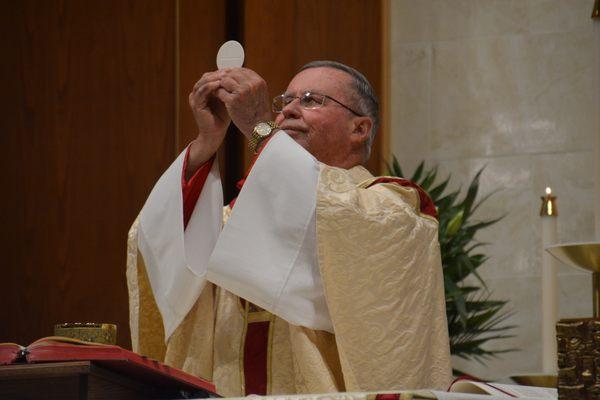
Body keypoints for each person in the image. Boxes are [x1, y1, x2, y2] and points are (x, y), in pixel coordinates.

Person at [126, 61, 452, 397]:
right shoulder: (229, 219)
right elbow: (156, 244)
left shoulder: (392, 208)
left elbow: (327, 217)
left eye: (312, 100)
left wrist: (258, 127)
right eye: (283, 102)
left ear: (360, 128)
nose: (288, 111)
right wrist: (207, 141)